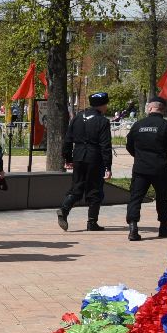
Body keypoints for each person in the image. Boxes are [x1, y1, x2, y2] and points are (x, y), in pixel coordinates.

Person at [126, 96, 167, 241]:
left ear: (150, 108)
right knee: (163, 198)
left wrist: (139, 156)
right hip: (160, 168)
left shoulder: (138, 125)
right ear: (163, 110)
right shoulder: (166, 126)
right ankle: (163, 227)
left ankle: (133, 228)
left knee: (135, 198)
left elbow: (129, 145)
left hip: (140, 169)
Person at [58, 91, 113, 232]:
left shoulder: (77, 118)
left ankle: (64, 209)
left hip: (78, 156)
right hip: (94, 157)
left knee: (77, 186)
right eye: (106, 104)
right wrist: (108, 166)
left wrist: (68, 158)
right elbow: (105, 145)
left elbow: (68, 140)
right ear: (102, 105)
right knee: (95, 189)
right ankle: (92, 223)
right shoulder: (102, 121)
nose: (106, 107)